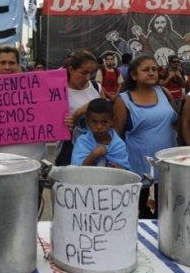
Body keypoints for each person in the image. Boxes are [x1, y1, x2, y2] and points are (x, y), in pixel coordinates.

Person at [113, 55, 178, 218]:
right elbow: (116, 136)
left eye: (155, 69)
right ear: (134, 75)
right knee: (144, 217)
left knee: (169, 216)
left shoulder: (164, 92)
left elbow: (176, 123)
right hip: (140, 171)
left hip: (169, 169)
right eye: (146, 70)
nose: (151, 73)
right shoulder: (124, 100)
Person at [54, 50, 103, 166]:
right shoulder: (58, 91)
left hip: (95, 148)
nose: (87, 77)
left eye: (90, 73)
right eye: (83, 73)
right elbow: (52, 124)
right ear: (71, 69)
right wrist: (75, 116)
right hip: (68, 150)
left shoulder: (96, 88)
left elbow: (108, 115)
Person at [71, 98, 129, 169]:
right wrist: (94, 155)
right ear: (87, 121)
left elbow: (125, 173)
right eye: (94, 122)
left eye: (104, 122)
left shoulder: (118, 145)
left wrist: (119, 170)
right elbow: (76, 170)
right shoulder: (83, 142)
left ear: (111, 121)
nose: (99, 127)